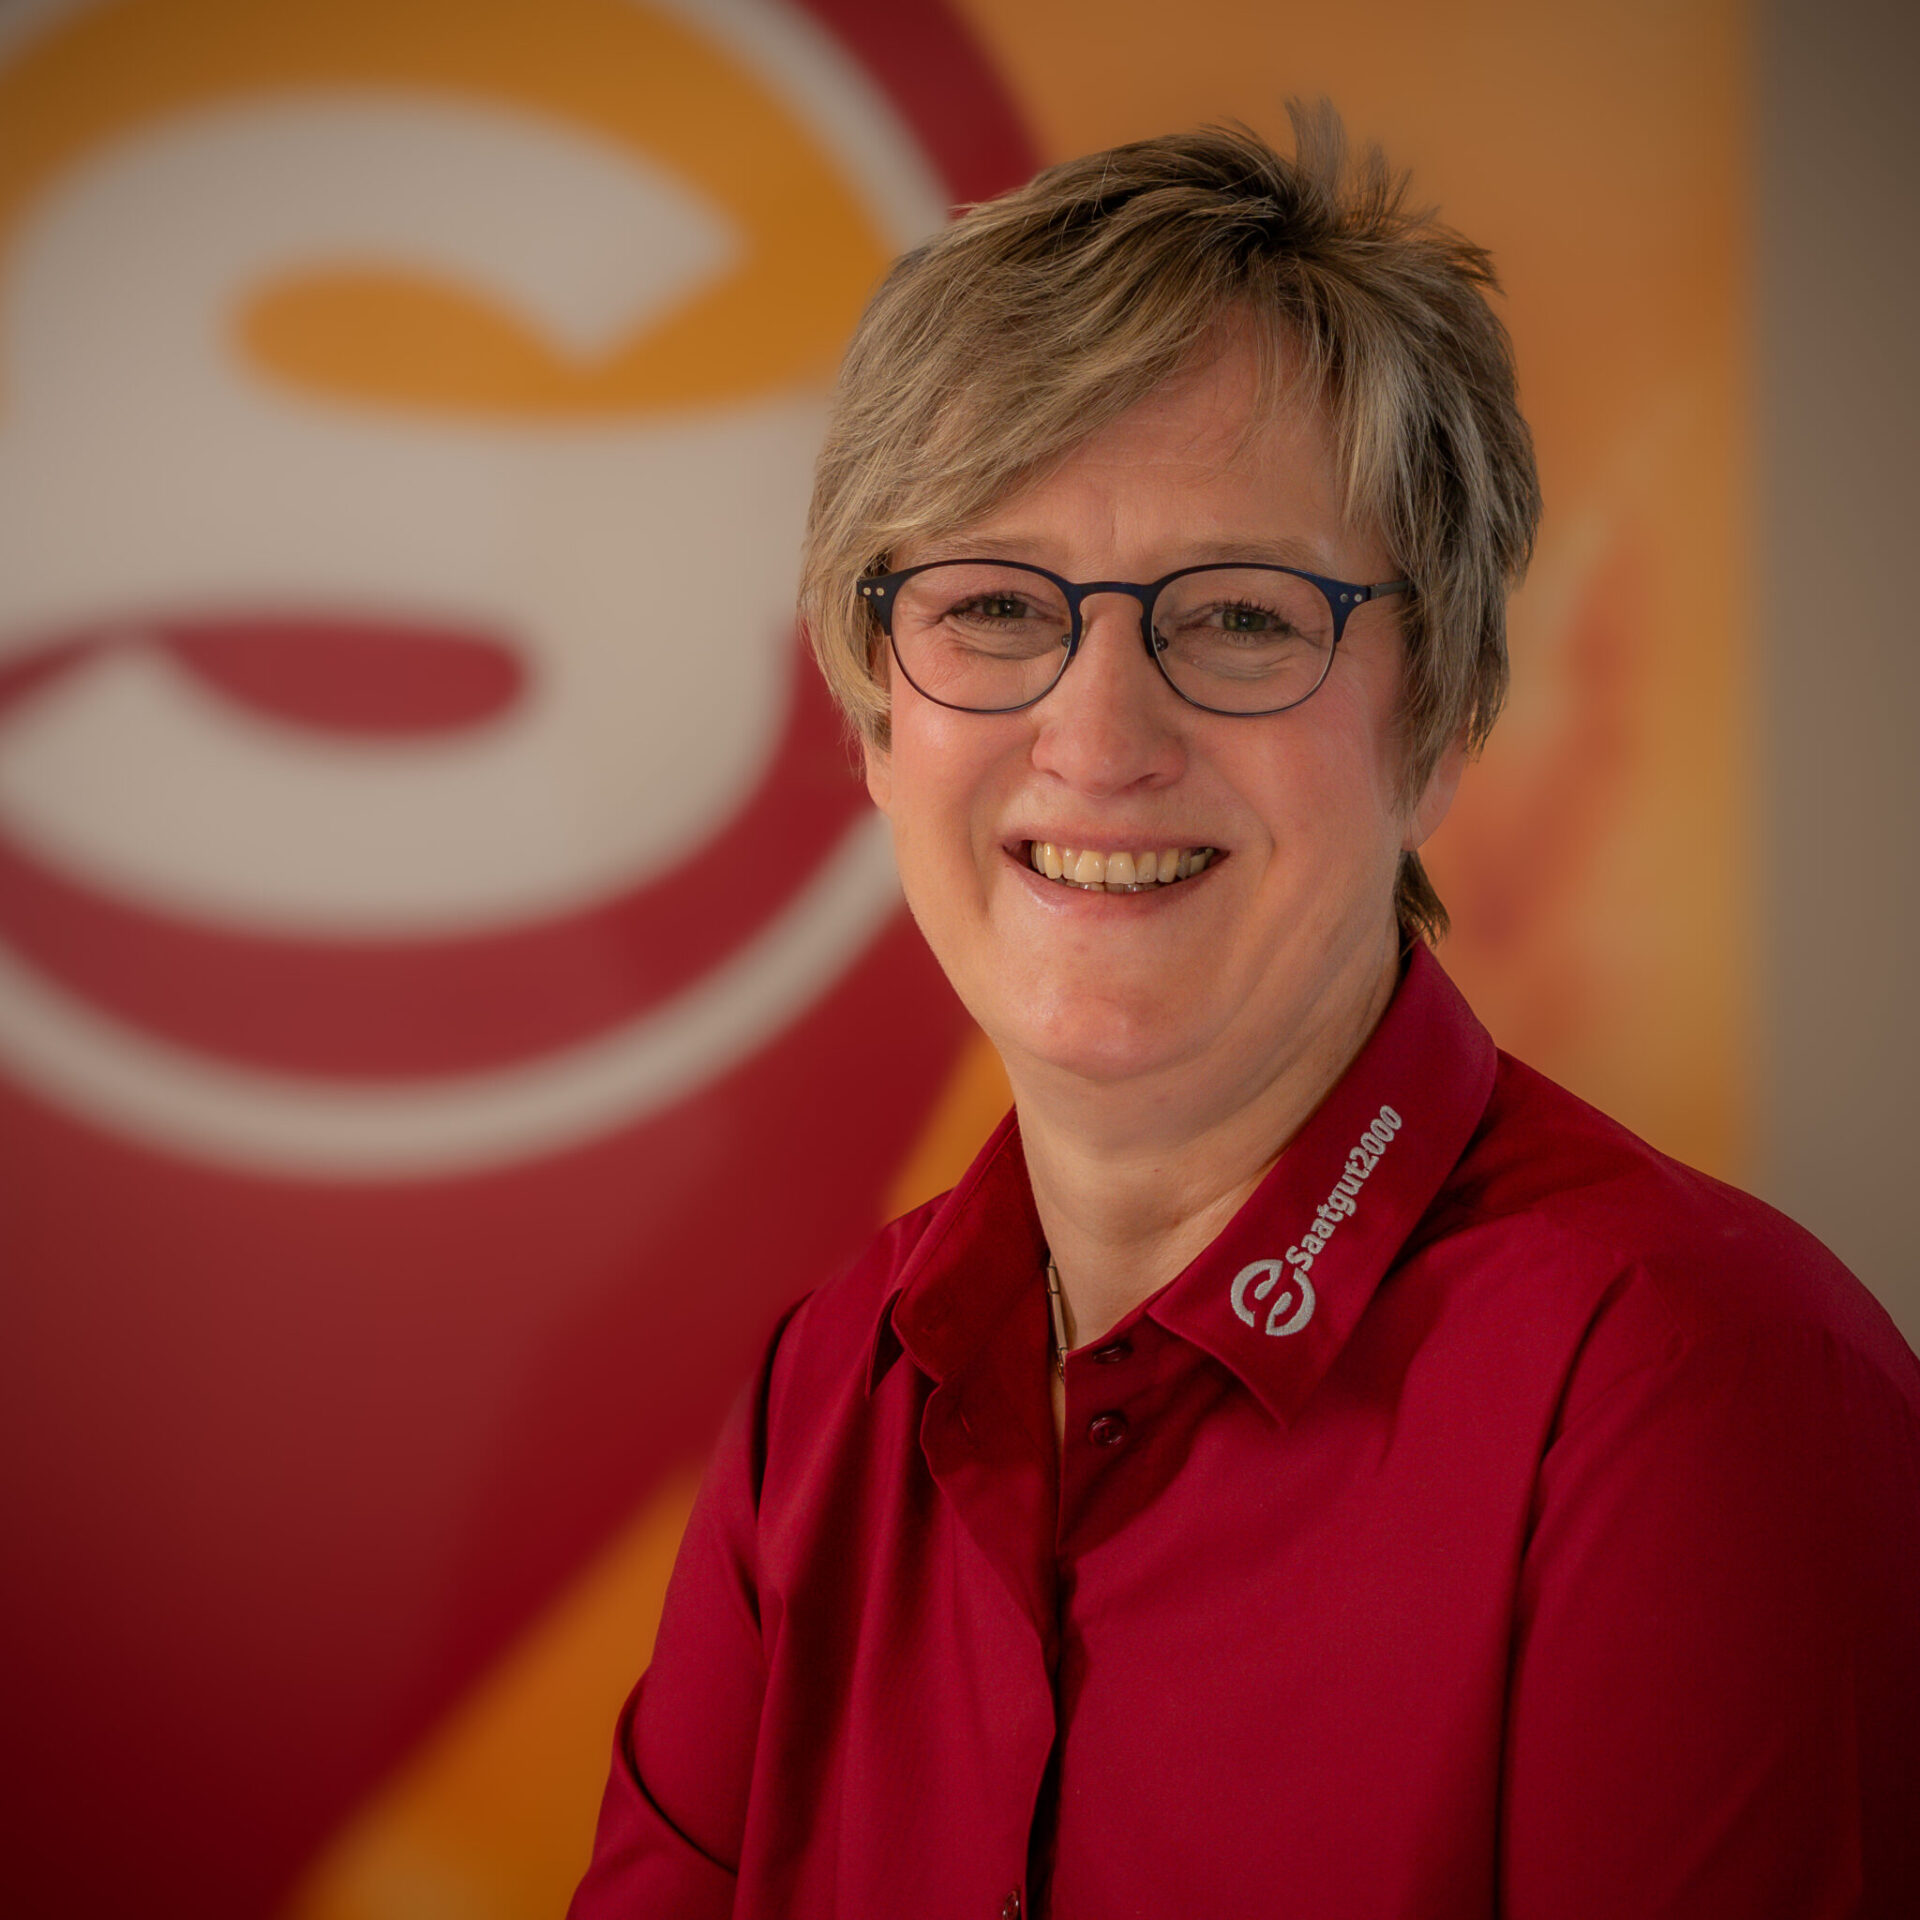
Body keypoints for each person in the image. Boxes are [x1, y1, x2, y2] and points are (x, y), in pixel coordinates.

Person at [570, 109, 1920, 1919]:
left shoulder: (1696, 1397)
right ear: (880, 719)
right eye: (993, 604)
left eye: (1239, 618)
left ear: (1440, 725)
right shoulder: (821, 1404)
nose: (1099, 738)